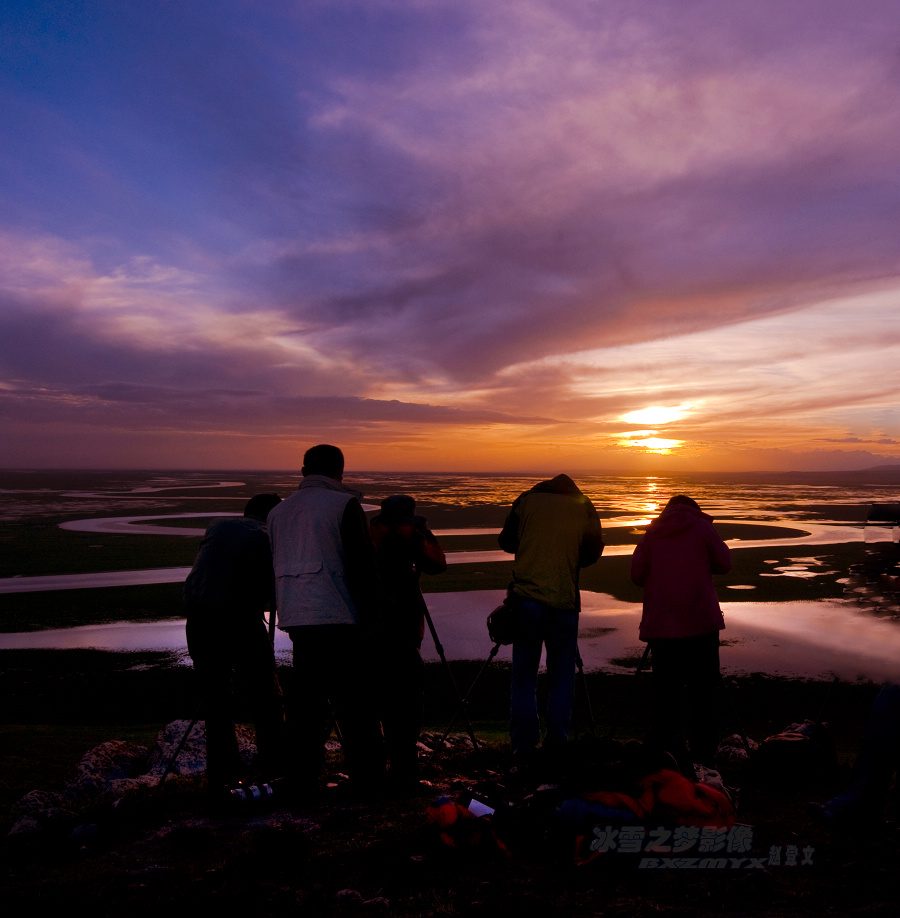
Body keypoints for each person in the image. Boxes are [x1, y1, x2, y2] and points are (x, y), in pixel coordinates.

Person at [267, 444, 386, 794]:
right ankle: (369, 777)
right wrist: (372, 619)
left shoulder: (278, 512)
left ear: (304, 470)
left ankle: (302, 778)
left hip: (297, 617)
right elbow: (363, 566)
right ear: (339, 471)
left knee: (306, 704)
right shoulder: (343, 505)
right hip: (339, 615)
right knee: (355, 702)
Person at [498, 474, 604, 769]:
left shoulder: (526, 501)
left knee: (523, 677)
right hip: (564, 603)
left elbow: (506, 541)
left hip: (527, 601)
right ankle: (557, 743)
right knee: (561, 679)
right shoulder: (583, 505)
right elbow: (593, 551)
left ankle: (524, 747)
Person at [183, 493, 285, 793]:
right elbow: (271, 586)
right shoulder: (266, 535)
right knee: (265, 694)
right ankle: (276, 765)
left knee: (215, 699)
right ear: (272, 516)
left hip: (199, 619)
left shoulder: (217, 526)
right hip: (239, 618)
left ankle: (223, 775)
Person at [631, 494, 731, 774]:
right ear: (693, 509)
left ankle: (668, 759)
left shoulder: (653, 533)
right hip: (701, 625)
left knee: (666, 697)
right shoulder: (703, 528)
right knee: (704, 695)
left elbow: (637, 574)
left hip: (662, 629)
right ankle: (704, 761)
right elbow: (724, 563)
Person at [370, 495, 447, 791]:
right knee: (405, 702)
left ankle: (373, 771)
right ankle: (405, 775)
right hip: (403, 627)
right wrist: (420, 536)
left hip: (368, 627)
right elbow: (437, 564)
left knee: (371, 701)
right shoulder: (410, 536)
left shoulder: (370, 531)